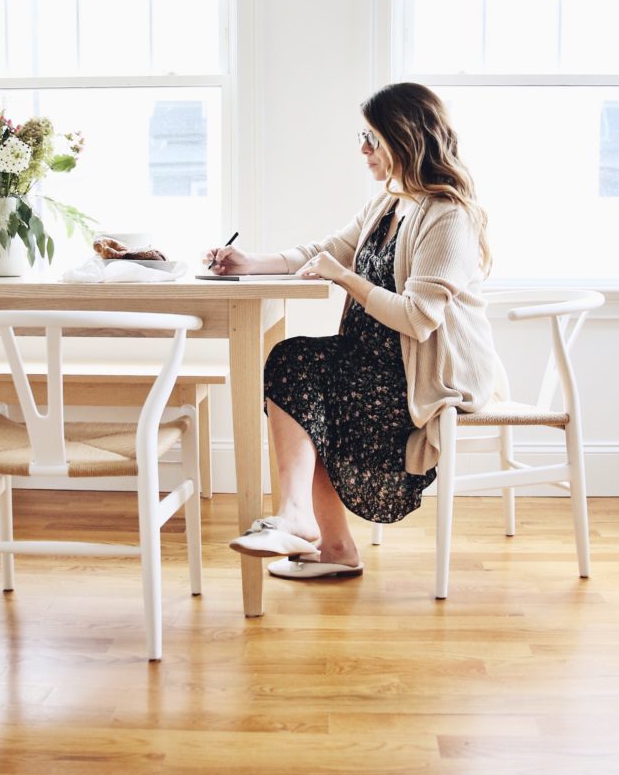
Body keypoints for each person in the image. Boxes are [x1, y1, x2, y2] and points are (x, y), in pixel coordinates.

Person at [203, 82, 496, 581]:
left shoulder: (448, 216)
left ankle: (321, 535)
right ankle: (314, 530)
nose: (363, 149)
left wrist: (346, 279)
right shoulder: (389, 204)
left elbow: (418, 318)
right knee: (292, 363)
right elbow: (327, 250)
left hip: (420, 376)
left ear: (403, 139)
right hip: (371, 363)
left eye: (371, 137)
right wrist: (248, 262)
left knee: (302, 375)